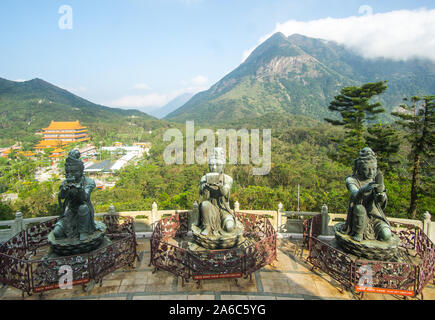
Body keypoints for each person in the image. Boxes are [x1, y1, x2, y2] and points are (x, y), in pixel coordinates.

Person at [341, 147, 392, 242]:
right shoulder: (351, 180)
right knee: (359, 209)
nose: (371, 173)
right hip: (358, 215)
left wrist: (381, 196)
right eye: (366, 169)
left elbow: (381, 202)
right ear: (359, 168)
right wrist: (365, 188)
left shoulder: (375, 180)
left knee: (386, 235)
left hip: (374, 213)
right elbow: (355, 193)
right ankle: (358, 233)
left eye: (373, 169)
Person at [53, 149, 96, 241]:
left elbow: (85, 197)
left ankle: (83, 231)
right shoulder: (65, 182)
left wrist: (79, 189)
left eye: (73, 172)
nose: (70, 175)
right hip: (70, 212)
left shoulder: (89, 182)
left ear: (81, 171)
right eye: (68, 172)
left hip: (84, 213)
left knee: (83, 207)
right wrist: (65, 189)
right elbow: (61, 197)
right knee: (57, 232)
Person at [197, 147, 236, 236]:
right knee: (204, 204)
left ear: (223, 165)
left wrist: (221, 186)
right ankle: (207, 227)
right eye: (211, 164)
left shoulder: (227, 178)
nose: (214, 167)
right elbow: (203, 196)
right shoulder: (204, 178)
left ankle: (225, 224)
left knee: (229, 227)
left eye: (217, 165)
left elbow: (224, 192)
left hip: (223, 208)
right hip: (210, 207)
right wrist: (203, 187)